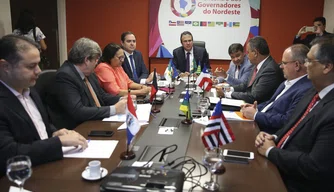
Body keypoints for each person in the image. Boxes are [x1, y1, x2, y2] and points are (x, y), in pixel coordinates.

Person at [0, 35, 88, 176]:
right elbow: (9, 154)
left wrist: (53, 133)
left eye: (38, 64)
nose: (39, 71)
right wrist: (57, 142)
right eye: (31, 66)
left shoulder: (31, 90)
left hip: (47, 165)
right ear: (6, 67)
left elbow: (41, 126)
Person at [255, 39, 334, 191]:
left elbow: (314, 166)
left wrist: (271, 151)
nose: (304, 65)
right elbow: (292, 125)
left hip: (296, 182)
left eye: (309, 61)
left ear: (327, 67)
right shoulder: (313, 91)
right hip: (281, 163)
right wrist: (273, 137)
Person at [46, 37, 126, 130]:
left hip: (95, 122)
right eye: (96, 59)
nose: (97, 63)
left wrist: (122, 99)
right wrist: (114, 109)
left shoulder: (89, 73)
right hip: (77, 129)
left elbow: (101, 96)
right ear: (87, 60)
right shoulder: (64, 77)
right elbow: (78, 111)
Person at [240, 44, 312, 133]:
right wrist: (255, 107)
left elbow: (286, 121)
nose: (281, 66)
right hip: (259, 124)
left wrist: (256, 115)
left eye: (284, 63)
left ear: (297, 65)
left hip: (267, 133)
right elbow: (272, 103)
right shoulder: (285, 83)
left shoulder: (305, 89)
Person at [217, 36, 284, 104]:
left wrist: (227, 94)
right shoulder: (257, 65)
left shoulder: (270, 70)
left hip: (258, 107)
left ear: (255, 53)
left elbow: (254, 96)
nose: (247, 56)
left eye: (248, 52)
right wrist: (229, 89)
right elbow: (246, 85)